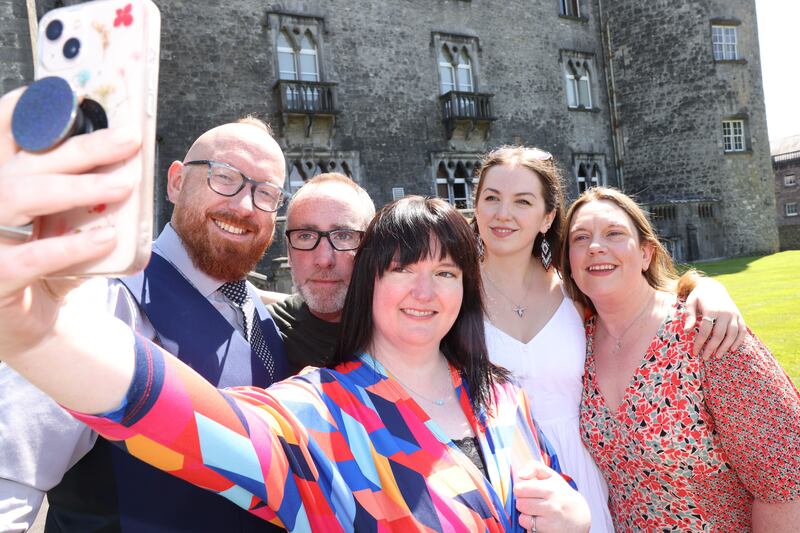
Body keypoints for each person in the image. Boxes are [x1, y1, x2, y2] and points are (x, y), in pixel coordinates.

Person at [0, 130, 593, 533]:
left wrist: (576, 513)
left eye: (444, 271)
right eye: (401, 269)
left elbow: (553, 480)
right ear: (370, 283)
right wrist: (40, 329)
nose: (424, 291)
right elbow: (186, 421)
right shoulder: (319, 413)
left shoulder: (501, 395)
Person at [0, 97, 289, 532]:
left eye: (265, 193)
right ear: (175, 182)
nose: (245, 207)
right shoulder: (101, 298)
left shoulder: (258, 309)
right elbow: (12, 474)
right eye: (225, 178)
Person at [470, 146, 748, 533]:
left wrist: (705, 287)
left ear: (547, 216)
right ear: (476, 205)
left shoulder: (575, 288)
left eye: (523, 201)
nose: (503, 213)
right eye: (492, 198)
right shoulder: (453, 290)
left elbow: (645, 298)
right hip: (497, 478)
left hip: (583, 476)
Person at [560, 186, 800, 531]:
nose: (595, 246)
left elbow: (786, 481)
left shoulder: (706, 333)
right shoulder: (575, 342)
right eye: (580, 238)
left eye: (614, 233)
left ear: (646, 254)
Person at [267, 172, 375, 373]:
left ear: (370, 247)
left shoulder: (407, 328)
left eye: (344, 235)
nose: (324, 260)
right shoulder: (261, 334)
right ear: (288, 251)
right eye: (306, 236)